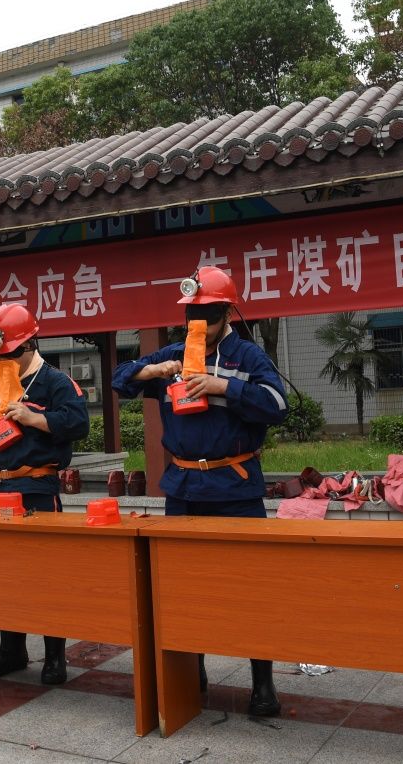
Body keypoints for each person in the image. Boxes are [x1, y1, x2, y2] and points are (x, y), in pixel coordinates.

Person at [111, 265, 289, 717]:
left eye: (207, 315)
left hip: (235, 488)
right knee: (183, 588)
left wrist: (222, 385)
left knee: (250, 589)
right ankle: (194, 672)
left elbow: (277, 404)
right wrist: (153, 368)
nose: (199, 323)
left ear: (227, 313)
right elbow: (119, 379)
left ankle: (262, 683)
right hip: (185, 488)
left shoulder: (246, 355)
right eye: (192, 315)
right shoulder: (175, 352)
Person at [0, 302, 89, 685]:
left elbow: (79, 423)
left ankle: (54, 656)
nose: (3, 362)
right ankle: (12, 650)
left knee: (45, 574)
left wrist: (36, 418)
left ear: (30, 345)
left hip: (35, 486)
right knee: (3, 575)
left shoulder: (55, 381)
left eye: (10, 355)